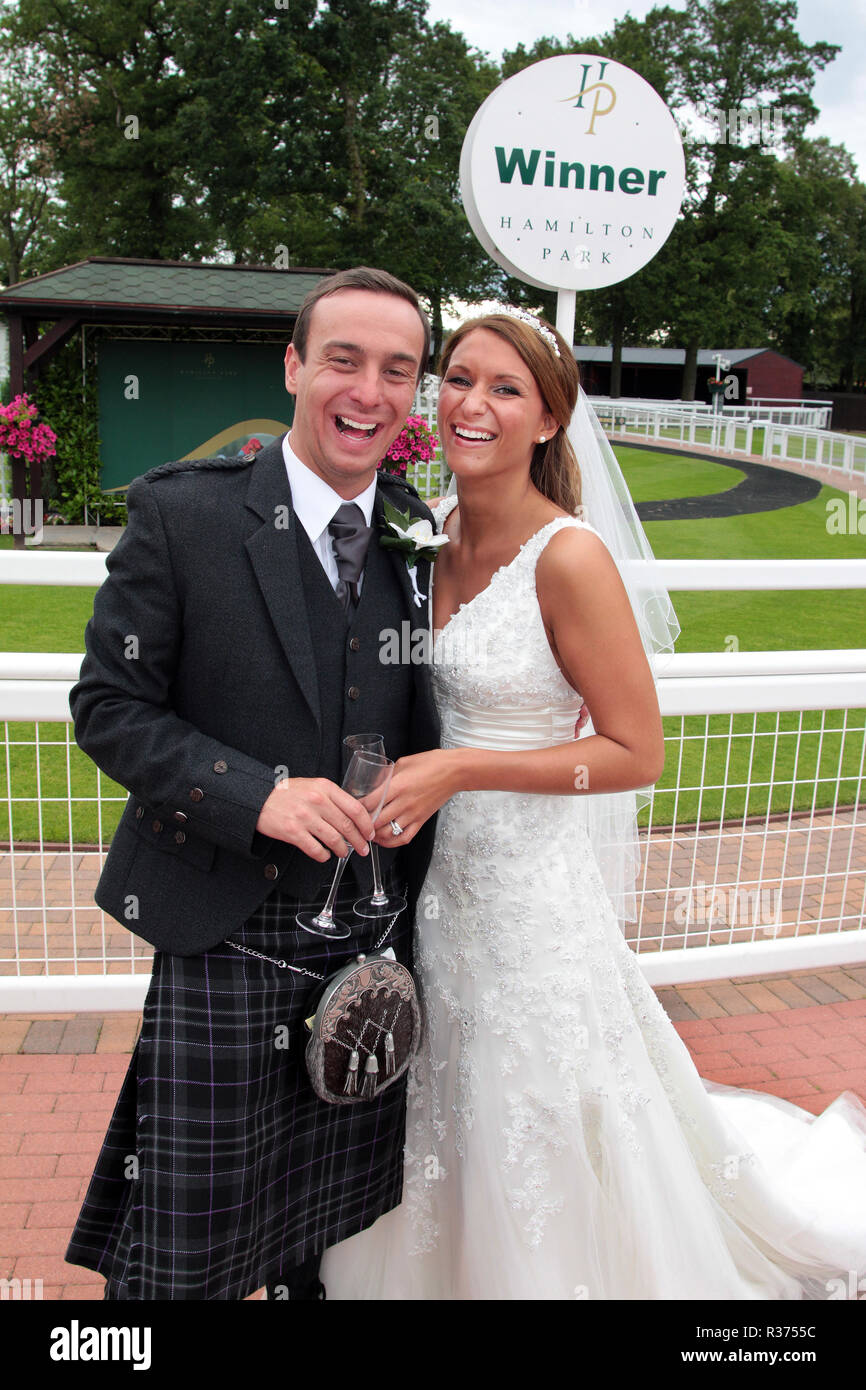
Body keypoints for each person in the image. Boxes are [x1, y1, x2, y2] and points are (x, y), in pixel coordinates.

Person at [320, 309, 866, 1300]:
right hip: (429, 893)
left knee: (536, 1097)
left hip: (531, 899)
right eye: (458, 379)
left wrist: (458, 768)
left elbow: (632, 752)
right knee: (447, 1096)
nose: (470, 404)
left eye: (503, 389)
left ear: (545, 421)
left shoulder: (567, 557)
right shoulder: (423, 535)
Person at [64, 266, 441, 1300]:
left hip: (370, 939)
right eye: (343, 360)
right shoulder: (184, 516)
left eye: (396, 369)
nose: (367, 391)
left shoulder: (421, 540)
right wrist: (255, 794)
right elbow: (107, 706)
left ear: (413, 392)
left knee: (319, 1235)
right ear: (292, 366)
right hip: (230, 931)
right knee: (187, 1247)